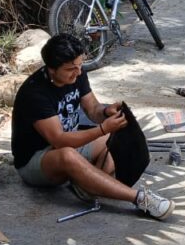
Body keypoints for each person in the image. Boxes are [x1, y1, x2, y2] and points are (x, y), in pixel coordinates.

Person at [11, 33, 173, 220]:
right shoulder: (35, 93)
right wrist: (102, 129)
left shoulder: (77, 74)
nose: (78, 72)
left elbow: (93, 109)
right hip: (35, 161)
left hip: (64, 144)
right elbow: (59, 139)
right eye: (71, 69)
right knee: (68, 154)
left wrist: (106, 112)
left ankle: (86, 186)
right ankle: (139, 198)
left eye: (80, 65)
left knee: (114, 137)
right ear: (52, 69)